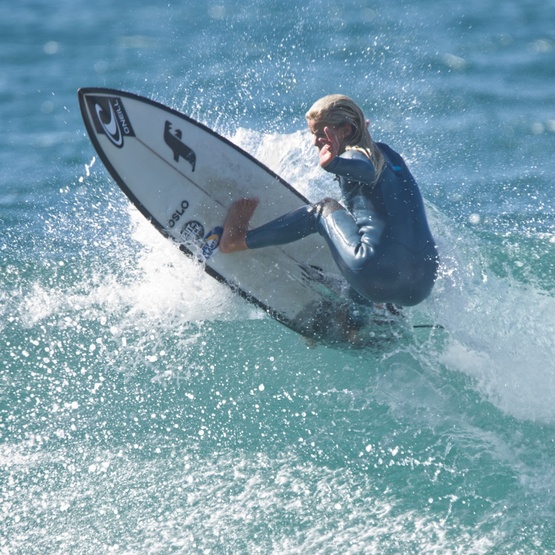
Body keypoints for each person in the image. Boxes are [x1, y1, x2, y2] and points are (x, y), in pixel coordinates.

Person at [219, 94, 438, 309]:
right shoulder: (388, 153)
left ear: (346, 130)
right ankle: (358, 319)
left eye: (320, 135)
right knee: (362, 235)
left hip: (374, 275)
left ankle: (237, 241)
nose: (315, 142)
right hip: (421, 283)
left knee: (322, 210)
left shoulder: (355, 157)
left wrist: (333, 164)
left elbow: (368, 172)